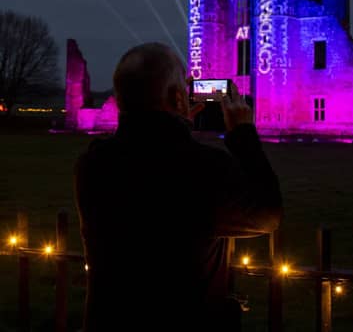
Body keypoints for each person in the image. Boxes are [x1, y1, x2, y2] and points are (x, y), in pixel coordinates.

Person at [74, 43, 282, 331]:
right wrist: (243, 134)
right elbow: (267, 213)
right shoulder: (203, 167)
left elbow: (143, 152)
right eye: (182, 85)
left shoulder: (93, 164)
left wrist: (176, 120)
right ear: (177, 97)